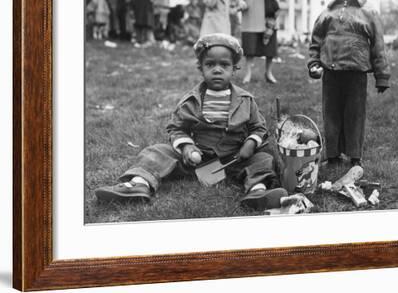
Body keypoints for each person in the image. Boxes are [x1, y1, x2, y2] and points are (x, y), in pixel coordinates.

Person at [95, 33, 287, 210]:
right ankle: (139, 184)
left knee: (263, 158)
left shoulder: (246, 100)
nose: (217, 70)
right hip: (197, 159)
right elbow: (176, 128)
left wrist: (251, 142)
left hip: (236, 158)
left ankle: (258, 190)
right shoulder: (192, 100)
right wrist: (187, 148)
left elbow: (259, 127)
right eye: (210, 65)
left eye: (224, 65)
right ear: (201, 69)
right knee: (157, 151)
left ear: (234, 69)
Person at [307, 0, 390, 167]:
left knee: (355, 116)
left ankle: (355, 158)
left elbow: (378, 44)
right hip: (331, 75)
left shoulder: (368, 12)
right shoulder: (327, 13)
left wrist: (382, 75)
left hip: (356, 75)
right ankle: (332, 156)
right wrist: (314, 63)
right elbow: (315, 41)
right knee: (331, 115)